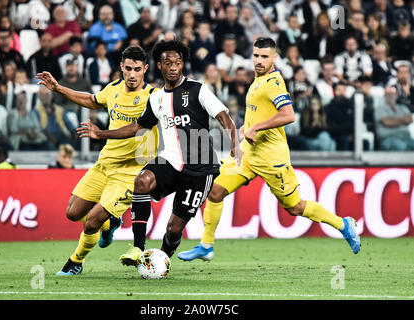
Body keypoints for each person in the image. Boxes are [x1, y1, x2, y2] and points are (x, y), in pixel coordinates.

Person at [177, 37, 361, 263]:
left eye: (265, 56)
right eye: (256, 55)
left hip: (272, 158)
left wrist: (257, 127)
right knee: (215, 190)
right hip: (248, 154)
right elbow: (261, 111)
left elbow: (289, 115)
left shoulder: (273, 83)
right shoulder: (257, 80)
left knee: (295, 207)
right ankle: (206, 246)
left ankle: (343, 224)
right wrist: (249, 126)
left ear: (274, 58)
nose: (259, 60)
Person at [76, 39, 240, 265]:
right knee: (141, 181)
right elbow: (136, 127)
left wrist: (234, 142)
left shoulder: (197, 89)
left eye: (178, 62)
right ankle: (137, 248)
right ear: (159, 66)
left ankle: (160, 260)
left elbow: (222, 115)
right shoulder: (156, 97)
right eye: (168, 62)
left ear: (182, 65)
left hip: (200, 169)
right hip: (170, 161)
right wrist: (101, 134)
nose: (173, 67)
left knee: (173, 229)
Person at [35, 45, 158, 276]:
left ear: (145, 70)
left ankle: (75, 261)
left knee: (90, 222)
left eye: (137, 69)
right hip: (105, 165)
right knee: (72, 213)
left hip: (131, 172)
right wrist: (59, 88)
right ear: (121, 67)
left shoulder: (153, 97)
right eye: (128, 68)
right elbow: (92, 100)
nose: (132, 74)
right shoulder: (112, 89)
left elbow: (136, 128)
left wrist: (100, 134)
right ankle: (110, 223)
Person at [374, 86, 414, 151]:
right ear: (384, 96)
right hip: (388, 139)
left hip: (406, 138)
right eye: (388, 94)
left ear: (396, 95)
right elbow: (387, 122)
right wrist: (403, 121)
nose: (390, 96)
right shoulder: (379, 109)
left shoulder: (403, 108)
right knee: (402, 147)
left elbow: (410, 119)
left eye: (392, 93)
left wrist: (392, 120)